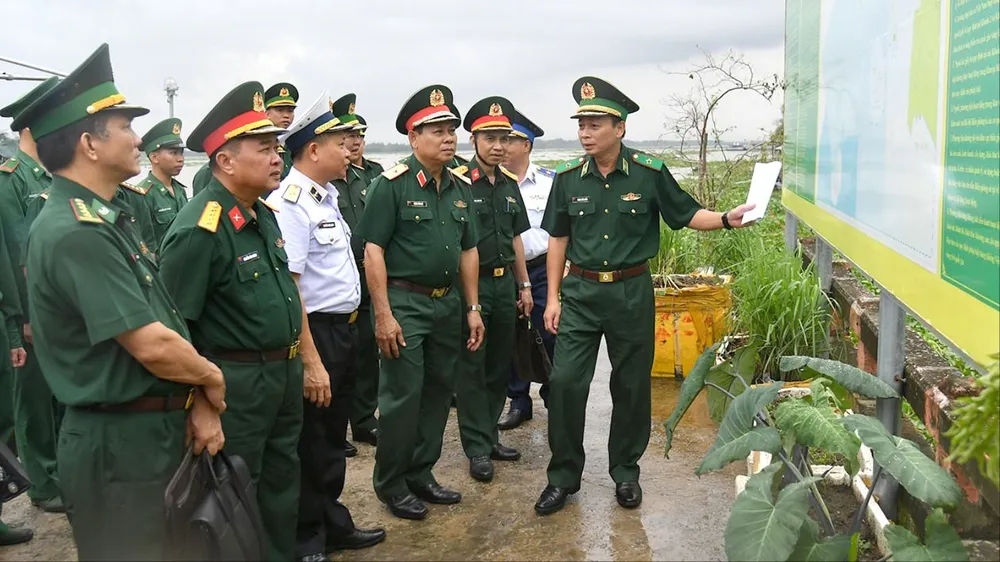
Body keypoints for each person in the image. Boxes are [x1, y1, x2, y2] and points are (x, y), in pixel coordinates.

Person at [16, 43, 225, 559]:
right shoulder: (76, 230)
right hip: (119, 446)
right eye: (126, 127)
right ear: (90, 144)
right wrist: (210, 378)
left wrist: (195, 398)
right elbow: (151, 344)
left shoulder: (106, 217)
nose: (138, 139)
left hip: (145, 431)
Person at [534, 76, 755, 516]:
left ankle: (625, 472)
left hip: (632, 292)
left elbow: (687, 213)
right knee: (565, 383)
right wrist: (553, 297)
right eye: (581, 125)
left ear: (619, 128)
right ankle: (562, 477)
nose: (585, 133)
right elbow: (557, 238)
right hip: (580, 292)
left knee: (631, 385)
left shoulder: (650, 173)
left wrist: (726, 219)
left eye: (595, 124)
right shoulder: (567, 179)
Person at [157, 81, 303, 562]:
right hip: (236, 384)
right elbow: (176, 328)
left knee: (282, 483)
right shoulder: (200, 228)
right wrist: (199, 403)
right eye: (264, 149)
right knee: (237, 493)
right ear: (225, 160)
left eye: (277, 148)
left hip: (282, 374)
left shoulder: (261, 213)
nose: (277, 158)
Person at [266, 91, 386, 561]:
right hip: (317, 333)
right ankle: (306, 536)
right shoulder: (291, 204)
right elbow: (292, 288)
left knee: (333, 435)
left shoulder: (326, 196)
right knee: (312, 439)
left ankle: (331, 522)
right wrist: (311, 359)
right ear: (313, 150)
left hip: (344, 330)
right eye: (339, 142)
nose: (348, 149)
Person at [356, 84, 484, 520]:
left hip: (447, 304)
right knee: (402, 397)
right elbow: (373, 251)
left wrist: (472, 308)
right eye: (437, 130)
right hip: (404, 303)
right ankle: (391, 482)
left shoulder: (460, 186)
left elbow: (469, 250)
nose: (448, 138)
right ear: (414, 138)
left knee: (437, 392)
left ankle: (421, 472)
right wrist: (383, 314)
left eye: (451, 130)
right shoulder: (390, 186)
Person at [453, 96, 532, 483]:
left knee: (500, 364)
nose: (498, 146)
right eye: (490, 138)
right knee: (473, 367)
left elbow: (516, 238)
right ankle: (477, 448)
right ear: (473, 140)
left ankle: (490, 435)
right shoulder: (458, 182)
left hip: (505, 285)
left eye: (504, 138)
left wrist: (525, 284)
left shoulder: (509, 184)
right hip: (473, 285)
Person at [0, 76, 63, 514]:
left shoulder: (49, 177)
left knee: (57, 398)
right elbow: (14, 255)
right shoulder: (12, 180)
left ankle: (58, 472)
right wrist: (22, 319)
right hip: (30, 314)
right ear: (31, 126)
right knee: (33, 403)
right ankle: (41, 481)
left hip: (54, 311)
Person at [499, 110, 554, 430]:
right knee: (511, 335)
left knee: (549, 332)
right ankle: (518, 400)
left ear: (527, 146)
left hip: (544, 269)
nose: (502, 146)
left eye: (510, 140)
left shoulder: (550, 182)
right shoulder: (493, 183)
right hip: (506, 272)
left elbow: (565, 230)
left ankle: (551, 394)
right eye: (500, 139)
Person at [330, 93, 378, 451]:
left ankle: (364, 420)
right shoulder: (325, 183)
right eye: (348, 134)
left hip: (366, 277)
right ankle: (336, 427)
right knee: (338, 357)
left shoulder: (368, 177)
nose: (355, 140)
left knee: (366, 351)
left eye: (360, 134)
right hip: (335, 282)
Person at [137, 117, 188, 247]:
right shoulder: (143, 195)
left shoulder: (179, 190)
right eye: (173, 153)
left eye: (181, 153)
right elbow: (145, 245)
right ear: (154, 157)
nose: (180, 159)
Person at [265, 82, 299, 180]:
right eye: (280, 110)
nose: (286, 115)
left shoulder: (296, 145)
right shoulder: (258, 144)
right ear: (267, 113)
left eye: (290, 111)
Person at [354, 115, 383, 184]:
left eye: (359, 137)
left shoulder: (376, 169)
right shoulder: (340, 174)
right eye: (351, 136)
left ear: (363, 143)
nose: (356, 143)